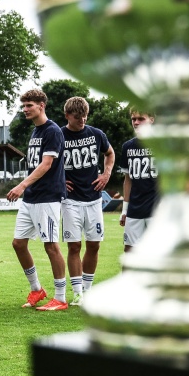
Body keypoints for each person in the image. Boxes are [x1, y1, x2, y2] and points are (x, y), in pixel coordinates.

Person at [6, 89, 69, 311]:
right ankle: (37, 289)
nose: (25, 109)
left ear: (41, 105)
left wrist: (22, 185)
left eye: (29, 105)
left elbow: (46, 164)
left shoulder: (52, 131)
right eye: (23, 106)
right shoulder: (35, 132)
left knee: (51, 246)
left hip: (47, 197)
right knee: (18, 243)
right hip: (31, 199)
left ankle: (60, 298)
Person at [60, 97, 114, 305]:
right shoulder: (59, 135)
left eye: (84, 116)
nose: (82, 120)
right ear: (67, 116)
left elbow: (110, 153)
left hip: (93, 199)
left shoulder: (96, 134)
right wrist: (60, 180)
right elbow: (45, 161)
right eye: (77, 117)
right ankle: (77, 293)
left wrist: (107, 173)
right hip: (70, 201)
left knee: (94, 245)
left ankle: (87, 289)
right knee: (74, 246)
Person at [120, 111, 159, 255]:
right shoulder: (127, 147)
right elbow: (128, 180)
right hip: (135, 209)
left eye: (141, 119)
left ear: (152, 119)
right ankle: (128, 279)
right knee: (129, 251)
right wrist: (125, 209)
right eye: (133, 119)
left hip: (157, 208)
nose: (136, 122)